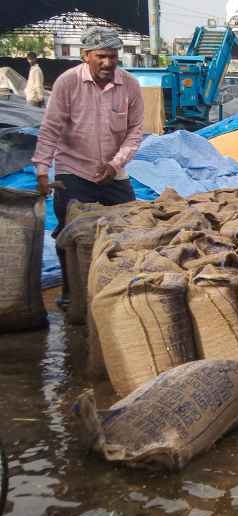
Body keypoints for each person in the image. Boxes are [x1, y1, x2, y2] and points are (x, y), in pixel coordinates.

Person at [33, 27, 144, 310]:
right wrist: (42, 170)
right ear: (86, 56)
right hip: (74, 169)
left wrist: (116, 162)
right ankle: (73, 294)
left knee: (131, 227)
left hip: (113, 171)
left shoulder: (129, 85)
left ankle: (121, 289)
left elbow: (134, 132)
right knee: (69, 233)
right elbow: (51, 129)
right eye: (101, 57)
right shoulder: (67, 83)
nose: (108, 63)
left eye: (113, 57)